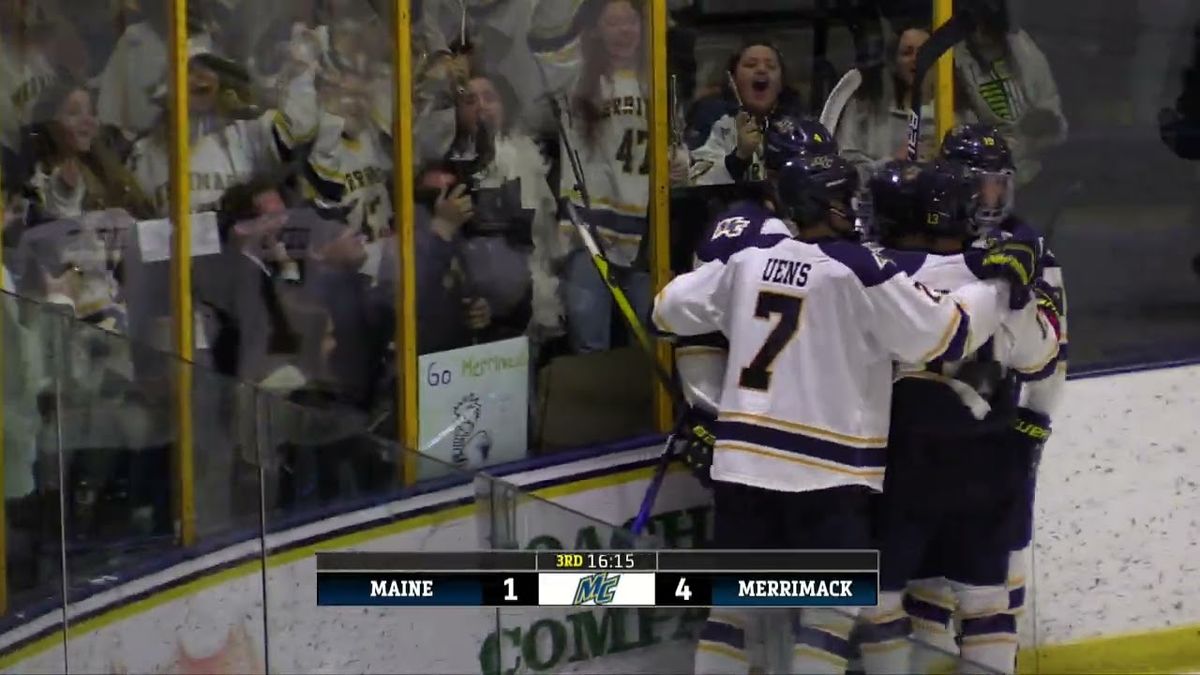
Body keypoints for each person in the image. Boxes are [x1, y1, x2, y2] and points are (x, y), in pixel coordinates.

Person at [653, 151, 1042, 675]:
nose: (854, 208)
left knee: (729, 616)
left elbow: (667, 309)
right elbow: (943, 333)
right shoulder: (859, 268)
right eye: (844, 198)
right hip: (829, 478)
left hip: (742, 467)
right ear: (821, 203)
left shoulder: (748, 257)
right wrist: (998, 286)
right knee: (828, 622)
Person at [854, 159, 1062, 675]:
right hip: (989, 460)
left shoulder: (870, 278)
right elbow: (1039, 361)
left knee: (883, 602)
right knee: (987, 606)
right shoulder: (1000, 274)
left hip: (902, 464)